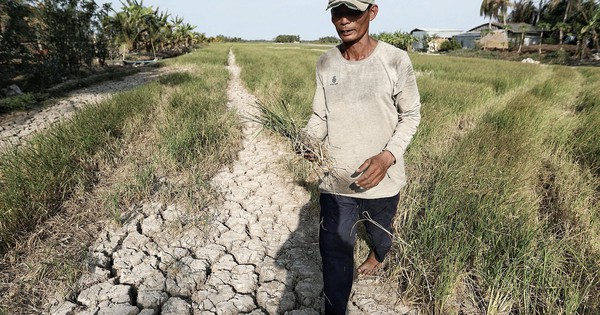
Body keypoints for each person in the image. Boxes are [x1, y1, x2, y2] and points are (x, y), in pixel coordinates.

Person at [302, 0, 421, 313]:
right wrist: (308, 139)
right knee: (335, 250)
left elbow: (411, 114)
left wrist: (387, 157)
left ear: (372, 11)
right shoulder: (325, 62)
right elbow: (320, 115)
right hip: (337, 180)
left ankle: (378, 255)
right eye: (336, 13)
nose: (343, 20)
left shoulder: (395, 60)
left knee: (380, 235)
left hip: (382, 179)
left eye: (352, 12)